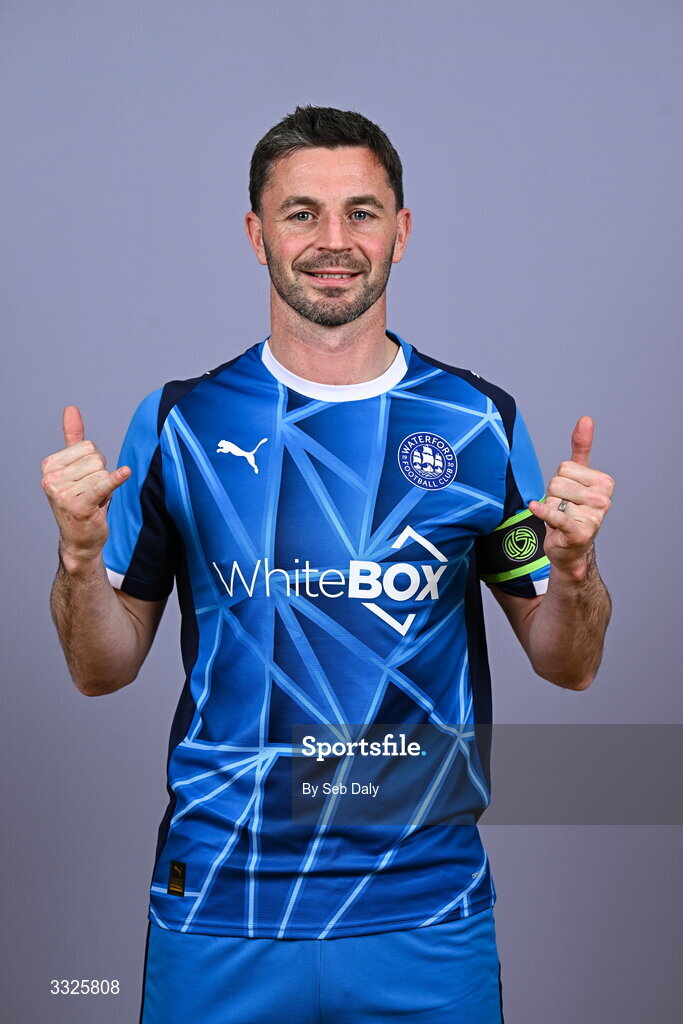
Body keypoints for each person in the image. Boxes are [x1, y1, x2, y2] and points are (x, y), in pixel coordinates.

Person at [42, 105, 613, 1024]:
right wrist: (76, 560)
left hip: (424, 912)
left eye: (363, 211)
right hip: (223, 907)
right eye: (301, 212)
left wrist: (577, 573)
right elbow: (98, 670)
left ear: (403, 230)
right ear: (255, 232)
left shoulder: (479, 423)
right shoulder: (180, 421)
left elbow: (568, 660)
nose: (334, 240)